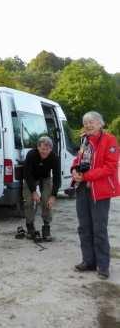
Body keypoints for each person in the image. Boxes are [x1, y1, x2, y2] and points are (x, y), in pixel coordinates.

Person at [71, 111, 119, 280]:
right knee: (84, 227)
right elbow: (78, 160)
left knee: (99, 228)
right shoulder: (84, 140)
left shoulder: (110, 140)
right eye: (86, 122)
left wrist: (86, 176)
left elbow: (110, 167)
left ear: (101, 123)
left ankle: (103, 265)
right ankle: (88, 261)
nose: (88, 125)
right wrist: (75, 171)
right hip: (82, 188)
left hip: (100, 190)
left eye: (92, 122)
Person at [23, 136, 61, 241]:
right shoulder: (31, 155)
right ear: (38, 147)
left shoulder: (54, 157)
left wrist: (53, 195)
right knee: (29, 201)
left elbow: (57, 178)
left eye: (48, 149)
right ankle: (30, 226)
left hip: (45, 177)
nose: (45, 152)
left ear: (51, 149)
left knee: (46, 200)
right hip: (31, 178)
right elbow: (27, 174)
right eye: (43, 149)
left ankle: (46, 227)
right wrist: (34, 192)